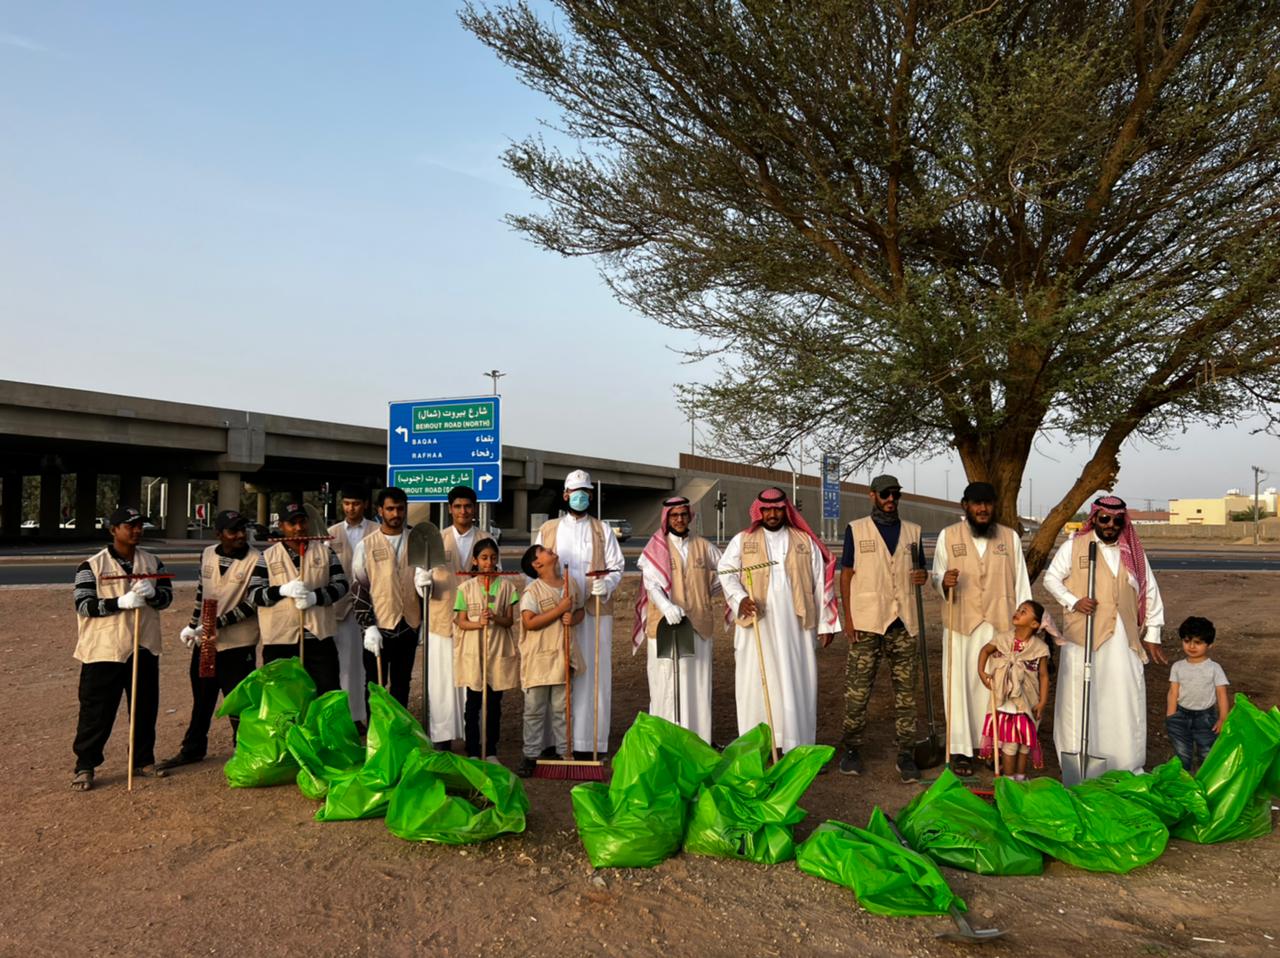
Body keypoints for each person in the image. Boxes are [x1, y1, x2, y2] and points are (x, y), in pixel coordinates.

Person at [1044, 495, 1166, 775]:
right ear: (1095, 518)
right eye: (1105, 519)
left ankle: (1126, 764)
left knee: (1123, 696)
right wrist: (1073, 600)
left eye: (1117, 520)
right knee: (1080, 697)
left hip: (1123, 638)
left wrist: (1154, 632)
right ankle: (1077, 762)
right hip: (1083, 637)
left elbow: (1150, 591)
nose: (1111, 525)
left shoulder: (1134, 553)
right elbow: (1051, 578)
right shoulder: (1074, 546)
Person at [717, 487, 840, 753]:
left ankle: (797, 747)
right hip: (756, 627)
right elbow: (725, 572)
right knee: (755, 682)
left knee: (797, 681)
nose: (772, 514)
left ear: (786, 510)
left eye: (778, 509)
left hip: (797, 627)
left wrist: (827, 623)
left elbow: (821, 583)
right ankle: (758, 748)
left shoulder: (804, 541)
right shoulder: (742, 540)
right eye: (767, 509)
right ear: (759, 511)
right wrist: (739, 598)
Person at [932, 481, 1032, 776]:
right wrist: (942, 583)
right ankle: (962, 750)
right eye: (976, 503)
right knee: (960, 686)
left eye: (987, 503)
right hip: (962, 625)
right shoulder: (948, 536)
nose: (983, 508)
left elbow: (1022, 583)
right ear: (965, 506)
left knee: (998, 687)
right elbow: (936, 574)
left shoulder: (1009, 538)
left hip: (1000, 626)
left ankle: (994, 748)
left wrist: (1025, 627)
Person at [71, 507, 174, 791]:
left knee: (144, 708)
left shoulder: (153, 562)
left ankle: (142, 760)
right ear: (113, 529)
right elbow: (83, 604)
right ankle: (85, 765)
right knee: (97, 712)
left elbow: (167, 598)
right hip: (104, 649)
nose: (136, 530)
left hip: (144, 647)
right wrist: (119, 603)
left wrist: (154, 595)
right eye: (129, 526)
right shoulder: (90, 566)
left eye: (140, 525)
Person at [156, 510, 263, 772]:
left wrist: (216, 623)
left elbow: (254, 603)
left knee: (238, 700)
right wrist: (193, 625)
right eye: (232, 531)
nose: (239, 535)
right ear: (219, 534)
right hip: (207, 643)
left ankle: (245, 750)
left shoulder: (257, 559)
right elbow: (202, 594)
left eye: (242, 530)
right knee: (202, 697)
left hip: (238, 644)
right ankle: (193, 749)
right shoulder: (207, 554)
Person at [837, 474, 928, 782]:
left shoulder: (914, 532)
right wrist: (848, 618)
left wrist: (921, 578)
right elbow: (847, 574)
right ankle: (851, 748)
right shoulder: (856, 529)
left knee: (906, 693)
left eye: (896, 495)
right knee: (858, 691)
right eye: (886, 494)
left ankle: (906, 753)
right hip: (866, 622)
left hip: (903, 623)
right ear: (872, 495)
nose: (891, 499)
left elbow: (920, 573)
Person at [535, 470, 624, 757]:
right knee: (556, 672)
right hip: (557, 613)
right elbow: (533, 567)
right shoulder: (548, 529)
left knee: (593, 674)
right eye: (576, 491)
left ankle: (589, 743)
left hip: (594, 612)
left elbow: (617, 566)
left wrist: (606, 583)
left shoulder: (603, 530)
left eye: (585, 491)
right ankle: (555, 743)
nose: (581, 496)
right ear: (565, 495)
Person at [634, 495, 723, 744]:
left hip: (699, 625)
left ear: (690, 516)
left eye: (684, 515)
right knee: (666, 682)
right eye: (675, 516)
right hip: (665, 627)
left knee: (698, 683)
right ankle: (667, 739)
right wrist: (666, 606)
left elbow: (727, 570)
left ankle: (699, 740)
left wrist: (710, 588)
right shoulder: (655, 547)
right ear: (667, 518)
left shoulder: (704, 546)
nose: (680, 519)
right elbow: (651, 584)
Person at [253, 501, 347, 694]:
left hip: (319, 638)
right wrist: (281, 591)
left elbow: (341, 585)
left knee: (327, 692)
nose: (298, 528)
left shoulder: (325, 552)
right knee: (283, 697)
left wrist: (316, 597)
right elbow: (254, 594)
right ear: (281, 526)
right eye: (292, 523)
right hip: (280, 640)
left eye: (302, 522)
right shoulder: (267, 557)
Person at [417, 485, 478, 749]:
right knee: (442, 682)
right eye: (458, 506)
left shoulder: (486, 539)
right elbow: (420, 582)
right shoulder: (436, 540)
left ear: (474, 509)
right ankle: (442, 737)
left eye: (467, 506)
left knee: (472, 680)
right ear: (450, 509)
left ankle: (474, 739)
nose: (463, 511)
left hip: (475, 622)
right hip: (441, 620)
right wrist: (422, 581)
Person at [516, 544, 585, 777]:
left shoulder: (570, 584)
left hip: (563, 656)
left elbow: (580, 611)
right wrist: (559, 610)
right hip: (539, 659)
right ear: (537, 564)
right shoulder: (533, 591)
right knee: (534, 709)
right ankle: (531, 755)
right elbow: (530, 622)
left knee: (562, 709)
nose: (552, 549)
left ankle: (565, 754)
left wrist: (571, 617)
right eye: (544, 550)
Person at [352, 487, 423, 711]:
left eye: (400, 509)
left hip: (409, 625)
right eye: (390, 509)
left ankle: (399, 736)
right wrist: (367, 626)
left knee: (402, 686)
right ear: (380, 510)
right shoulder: (366, 545)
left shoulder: (418, 541)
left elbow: (426, 587)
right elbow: (358, 589)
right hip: (379, 628)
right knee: (375, 686)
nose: (396, 514)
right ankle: (377, 738)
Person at [453, 538, 520, 762]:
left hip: (497, 649)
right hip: (474, 650)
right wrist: (478, 623)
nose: (488, 562)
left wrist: (495, 618)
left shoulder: (507, 587)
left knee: (494, 704)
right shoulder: (465, 588)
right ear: (474, 560)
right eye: (483, 558)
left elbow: (510, 621)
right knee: (473, 702)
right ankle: (472, 750)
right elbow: (461, 621)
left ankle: (490, 749)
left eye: (492, 558)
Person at [977, 600, 1052, 781]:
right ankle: (1009, 780)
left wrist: (1042, 702)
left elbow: (1043, 676)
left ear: (1034, 624)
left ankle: (1021, 777)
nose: (1017, 612)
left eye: (1023, 611)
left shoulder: (1039, 649)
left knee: (1025, 744)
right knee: (1010, 743)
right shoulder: (1003, 639)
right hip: (1007, 702)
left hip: (1028, 701)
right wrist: (982, 671)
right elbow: (985, 651)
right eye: (1018, 609)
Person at [328, 485, 379, 726]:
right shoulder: (331, 534)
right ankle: (347, 717)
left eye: (356, 503)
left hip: (370, 607)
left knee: (367, 665)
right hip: (341, 609)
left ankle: (367, 716)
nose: (351, 508)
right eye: (347, 503)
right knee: (344, 665)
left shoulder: (377, 531)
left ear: (365, 505)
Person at [1165, 615, 1229, 773]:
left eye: (1198, 642)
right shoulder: (1178, 667)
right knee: (1182, 755)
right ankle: (1185, 786)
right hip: (1180, 716)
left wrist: (1222, 719)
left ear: (1210, 644)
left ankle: (1205, 786)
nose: (1191, 646)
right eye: (1187, 641)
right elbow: (1173, 691)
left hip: (1206, 719)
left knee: (1207, 754)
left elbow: (1221, 694)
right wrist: (1171, 716)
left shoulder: (1214, 668)